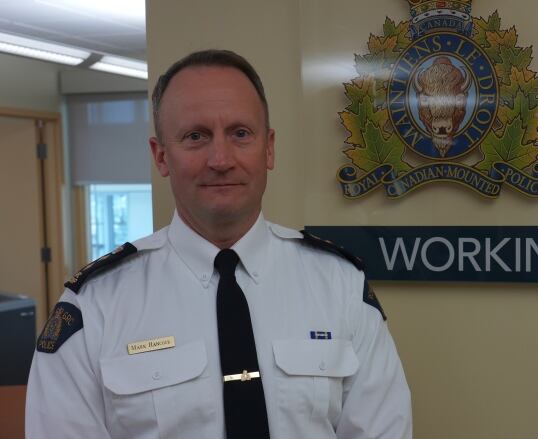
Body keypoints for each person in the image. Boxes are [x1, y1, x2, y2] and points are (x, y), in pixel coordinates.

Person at [25, 49, 412, 439]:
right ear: (161, 156)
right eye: (196, 136)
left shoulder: (339, 286)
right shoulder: (95, 306)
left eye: (240, 134)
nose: (221, 158)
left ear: (269, 148)